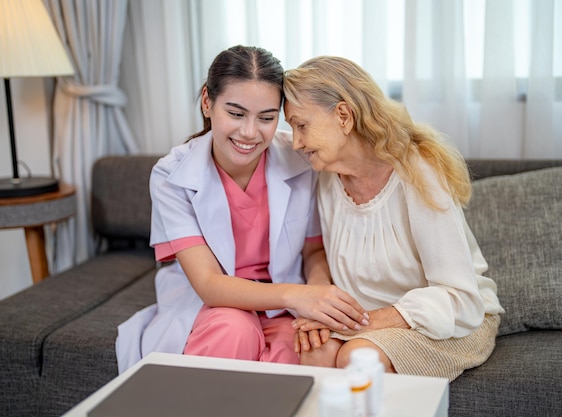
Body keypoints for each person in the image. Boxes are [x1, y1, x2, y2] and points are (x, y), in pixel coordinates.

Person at [115, 46, 368, 373]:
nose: (250, 133)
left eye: (267, 118)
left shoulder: (302, 159)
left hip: (284, 309)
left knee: (303, 350)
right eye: (236, 114)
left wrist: (317, 297)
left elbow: (313, 250)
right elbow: (208, 283)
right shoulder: (172, 175)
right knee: (234, 330)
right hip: (213, 307)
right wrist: (298, 296)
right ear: (208, 102)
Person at [283, 56, 505, 380]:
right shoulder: (327, 176)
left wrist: (354, 323)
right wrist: (320, 301)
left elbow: (459, 299)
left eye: (301, 126)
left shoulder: (418, 175)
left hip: (448, 320)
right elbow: (316, 252)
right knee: (316, 350)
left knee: (359, 358)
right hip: (365, 321)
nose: (296, 142)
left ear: (343, 116)